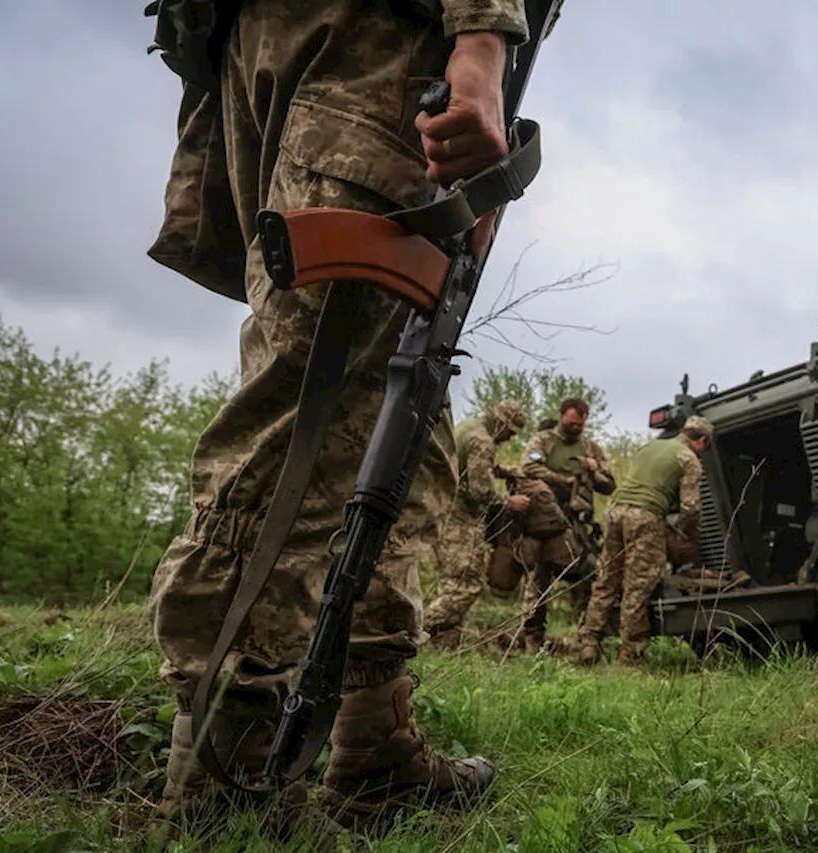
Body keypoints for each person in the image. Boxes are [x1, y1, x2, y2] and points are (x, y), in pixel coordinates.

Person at [141, 0, 536, 835]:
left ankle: (373, 740)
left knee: (394, 406)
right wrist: (482, 40)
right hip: (372, 48)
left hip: (291, 45)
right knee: (314, 407)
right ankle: (224, 776)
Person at [577, 416, 715, 667]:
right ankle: (631, 657)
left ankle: (588, 643)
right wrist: (688, 535)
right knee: (637, 587)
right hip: (645, 516)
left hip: (615, 511)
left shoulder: (650, 447)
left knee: (606, 580)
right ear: (702, 440)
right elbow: (691, 507)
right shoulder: (688, 458)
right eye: (706, 448)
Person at [423, 400, 530, 650]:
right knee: (465, 586)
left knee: (452, 581)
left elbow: (465, 465)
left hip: (441, 507)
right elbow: (480, 490)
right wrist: (508, 502)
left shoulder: (469, 426)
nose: (509, 438)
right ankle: (416, 632)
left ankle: (441, 646)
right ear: (501, 424)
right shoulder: (483, 441)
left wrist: (500, 471)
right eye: (510, 432)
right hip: (459, 516)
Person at [516, 398, 615, 651]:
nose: (576, 429)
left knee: (585, 578)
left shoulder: (590, 448)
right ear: (561, 416)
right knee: (539, 581)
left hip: (577, 523)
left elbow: (609, 485)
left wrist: (593, 472)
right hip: (545, 523)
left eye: (580, 425)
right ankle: (532, 642)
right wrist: (563, 480)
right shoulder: (544, 441)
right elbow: (528, 467)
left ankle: (586, 641)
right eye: (572, 423)